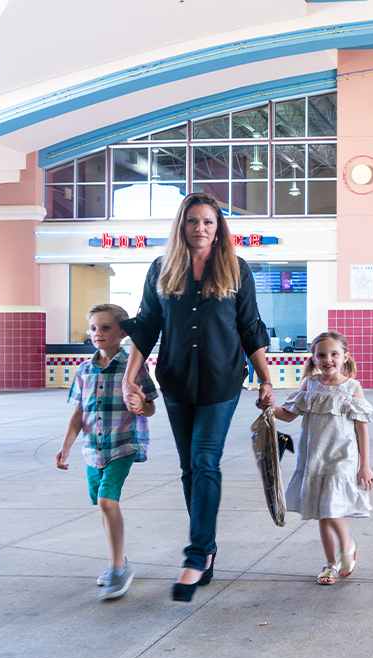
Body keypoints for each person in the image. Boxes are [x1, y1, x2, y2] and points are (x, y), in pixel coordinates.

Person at [121, 192, 276, 603]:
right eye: (193, 220)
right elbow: (146, 325)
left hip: (222, 381)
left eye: (208, 221)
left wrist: (265, 380)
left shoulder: (236, 269)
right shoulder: (161, 268)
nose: (200, 228)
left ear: (218, 227)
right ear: (182, 225)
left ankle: (193, 556)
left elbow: (250, 328)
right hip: (176, 381)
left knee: (206, 462)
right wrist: (129, 376)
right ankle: (206, 550)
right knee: (190, 468)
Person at [57, 304, 158, 601]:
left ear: (123, 332)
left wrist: (141, 403)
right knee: (103, 506)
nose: (97, 333)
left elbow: (150, 406)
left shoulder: (134, 367)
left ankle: (118, 568)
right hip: (92, 449)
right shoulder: (84, 370)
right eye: (93, 328)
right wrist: (66, 446)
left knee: (106, 500)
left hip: (122, 444)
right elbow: (79, 412)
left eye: (105, 327)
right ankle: (119, 560)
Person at [273, 332, 373, 585]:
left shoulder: (352, 387)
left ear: (344, 357)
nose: (328, 359)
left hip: (341, 457)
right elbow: (288, 415)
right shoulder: (309, 384)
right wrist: (267, 407)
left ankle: (347, 546)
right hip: (314, 458)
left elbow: (362, 428)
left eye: (334, 354)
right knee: (323, 512)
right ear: (314, 358)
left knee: (331, 506)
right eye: (321, 355)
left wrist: (365, 466)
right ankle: (331, 563)